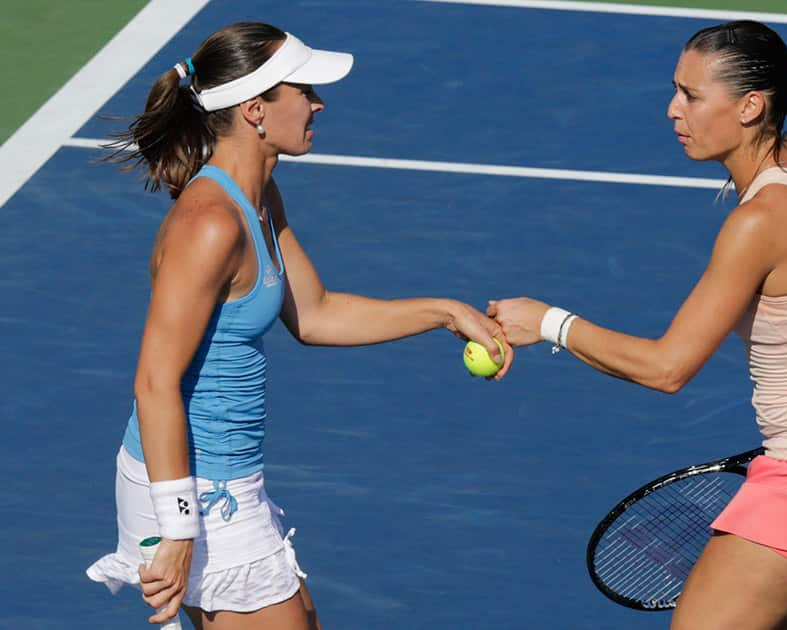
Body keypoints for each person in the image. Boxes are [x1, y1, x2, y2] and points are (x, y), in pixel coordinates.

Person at [488, 20, 787, 630]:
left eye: (692, 96)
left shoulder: (759, 221)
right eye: (676, 89)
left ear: (750, 107)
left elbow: (669, 368)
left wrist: (549, 322)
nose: (673, 109)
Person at [86, 22, 511, 630]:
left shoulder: (258, 195)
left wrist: (446, 312)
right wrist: (178, 529)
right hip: (193, 487)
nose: (318, 103)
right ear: (256, 109)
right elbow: (154, 382)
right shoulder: (210, 224)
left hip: (224, 478)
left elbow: (314, 314)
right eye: (304, 91)